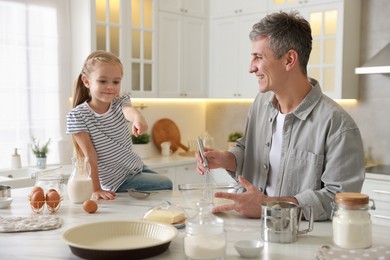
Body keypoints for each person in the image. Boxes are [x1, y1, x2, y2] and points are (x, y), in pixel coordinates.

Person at [196, 11, 365, 221]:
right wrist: (227, 159)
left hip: (302, 243)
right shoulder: (261, 104)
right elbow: (247, 149)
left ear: (289, 60)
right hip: (253, 230)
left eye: (258, 57)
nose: (251, 68)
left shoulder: (337, 125)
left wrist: (270, 206)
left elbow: (340, 200)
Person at [66, 50, 172, 200]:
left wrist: (138, 118)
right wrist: (96, 188)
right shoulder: (78, 116)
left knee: (164, 190)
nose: (110, 86)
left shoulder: (119, 102)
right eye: (103, 81)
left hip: (136, 168)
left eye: (116, 82)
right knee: (166, 183)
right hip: (116, 181)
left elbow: (129, 111)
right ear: (86, 81)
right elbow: (89, 155)